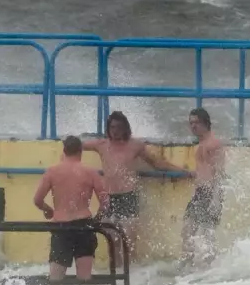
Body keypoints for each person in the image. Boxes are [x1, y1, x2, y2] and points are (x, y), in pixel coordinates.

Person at [82, 111, 192, 263]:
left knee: (129, 241)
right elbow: (74, 147)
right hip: (109, 198)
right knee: (112, 241)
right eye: (112, 127)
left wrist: (182, 172)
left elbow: (157, 163)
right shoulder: (102, 145)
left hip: (128, 196)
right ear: (108, 128)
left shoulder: (135, 145)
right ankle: (116, 275)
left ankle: (131, 279)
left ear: (125, 128)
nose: (115, 131)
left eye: (119, 127)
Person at [33, 135, 109, 282]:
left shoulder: (52, 172)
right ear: (80, 150)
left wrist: (48, 210)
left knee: (55, 279)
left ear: (64, 150)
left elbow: (37, 200)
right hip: (84, 226)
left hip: (61, 227)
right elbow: (105, 202)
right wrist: (97, 220)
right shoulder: (90, 172)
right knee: (85, 279)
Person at [180, 107, 226, 266]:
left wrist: (216, 198)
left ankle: (209, 268)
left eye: (196, 123)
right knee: (188, 230)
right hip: (200, 193)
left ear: (206, 123)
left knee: (206, 236)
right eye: (191, 123)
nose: (193, 126)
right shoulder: (203, 143)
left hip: (210, 193)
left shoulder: (213, 144)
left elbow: (220, 173)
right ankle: (189, 264)